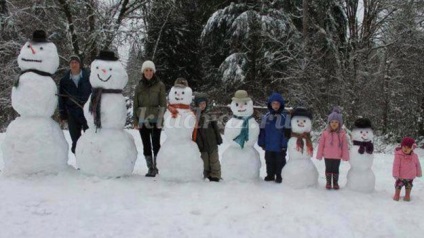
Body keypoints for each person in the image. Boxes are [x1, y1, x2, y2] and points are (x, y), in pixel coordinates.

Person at [133, 60, 166, 177]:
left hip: (156, 119)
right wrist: (136, 121)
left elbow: (163, 104)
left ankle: (157, 167)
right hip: (142, 119)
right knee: (146, 144)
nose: (148, 72)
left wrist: (161, 120)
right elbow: (135, 105)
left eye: (150, 70)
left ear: (153, 71)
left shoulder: (160, 85)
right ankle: (150, 168)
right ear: (143, 72)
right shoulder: (139, 87)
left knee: (156, 144)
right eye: (146, 70)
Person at [58, 55, 92, 154]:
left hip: (86, 112)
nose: (74, 64)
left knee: (90, 138)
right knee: (75, 140)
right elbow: (61, 98)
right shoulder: (64, 80)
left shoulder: (88, 77)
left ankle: (90, 162)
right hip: (72, 113)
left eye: (76, 62)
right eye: (72, 62)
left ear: (79, 64)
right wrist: (62, 113)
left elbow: (94, 94)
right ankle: (80, 163)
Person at [258, 92, 290, 183]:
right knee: (269, 161)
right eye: (273, 103)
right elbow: (262, 131)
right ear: (270, 104)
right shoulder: (266, 117)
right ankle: (270, 175)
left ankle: (280, 175)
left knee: (280, 162)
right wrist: (262, 142)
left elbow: (286, 132)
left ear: (281, 104)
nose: (275, 106)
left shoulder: (285, 117)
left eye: (277, 104)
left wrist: (284, 144)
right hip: (268, 146)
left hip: (279, 146)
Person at [316, 107, 349, 189]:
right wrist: (319, 155)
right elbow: (321, 145)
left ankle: (335, 182)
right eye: (332, 122)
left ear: (339, 123)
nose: (334, 123)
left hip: (337, 156)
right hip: (327, 156)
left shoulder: (342, 134)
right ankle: (328, 182)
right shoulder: (325, 133)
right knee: (328, 169)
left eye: (336, 122)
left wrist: (345, 156)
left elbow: (344, 146)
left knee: (335, 169)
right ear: (329, 123)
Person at [193, 93, 222, 182]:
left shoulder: (210, 115)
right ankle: (207, 175)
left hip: (212, 142)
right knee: (205, 161)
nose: (202, 106)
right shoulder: (194, 116)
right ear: (196, 104)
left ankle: (215, 175)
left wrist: (218, 138)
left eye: (204, 103)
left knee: (214, 161)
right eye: (200, 104)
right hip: (202, 144)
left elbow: (215, 127)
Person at [392, 137, 422, 201]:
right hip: (401, 176)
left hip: (410, 176)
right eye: (404, 147)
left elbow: (418, 165)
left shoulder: (415, 156)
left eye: (408, 148)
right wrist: (395, 174)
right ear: (402, 146)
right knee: (398, 186)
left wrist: (419, 173)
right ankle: (397, 194)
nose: (406, 149)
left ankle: (407, 195)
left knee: (409, 186)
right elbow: (396, 165)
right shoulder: (399, 155)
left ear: (412, 148)